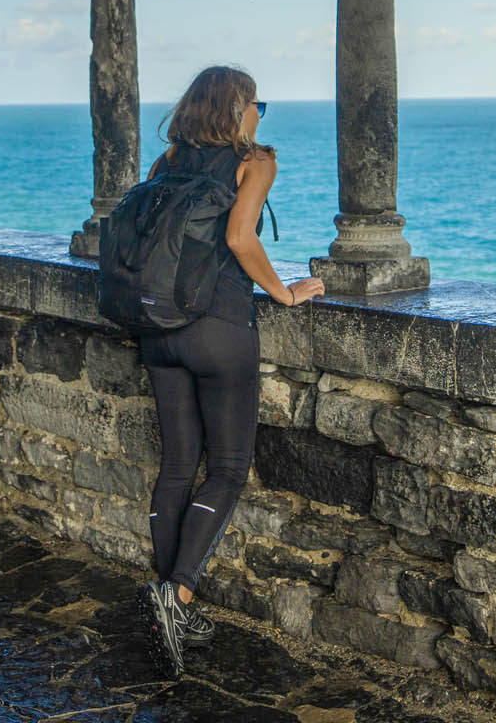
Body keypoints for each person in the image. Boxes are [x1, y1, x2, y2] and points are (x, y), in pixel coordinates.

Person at [134, 65, 323, 677]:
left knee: (177, 467)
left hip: (159, 329)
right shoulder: (254, 161)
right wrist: (284, 292)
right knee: (228, 469)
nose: (259, 116)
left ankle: (169, 605)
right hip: (218, 329)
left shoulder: (166, 162)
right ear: (238, 109)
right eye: (256, 105)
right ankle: (178, 595)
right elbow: (241, 239)